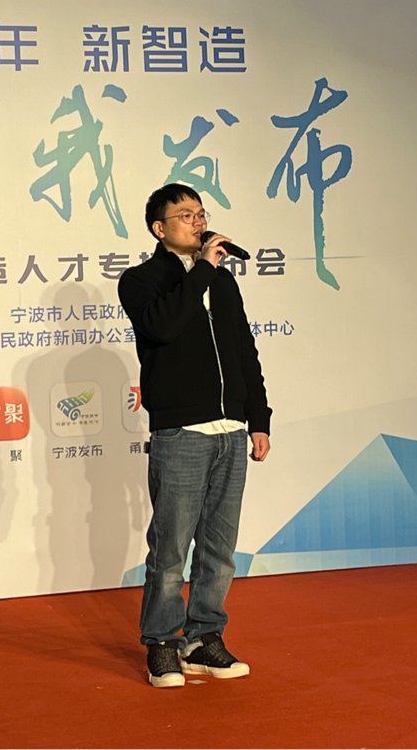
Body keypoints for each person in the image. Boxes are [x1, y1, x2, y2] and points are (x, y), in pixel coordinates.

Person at [117, 183, 272, 689]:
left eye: (201, 213)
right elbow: (161, 327)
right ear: (159, 228)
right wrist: (202, 269)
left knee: (219, 549)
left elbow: (244, 351)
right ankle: (162, 643)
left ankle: (204, 639)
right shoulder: (141, 280)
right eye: (186, 215)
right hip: (181, 431)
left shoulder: (222, 283)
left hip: (231, 431)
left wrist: (258, 418)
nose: (198, 221)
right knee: (169, 550)